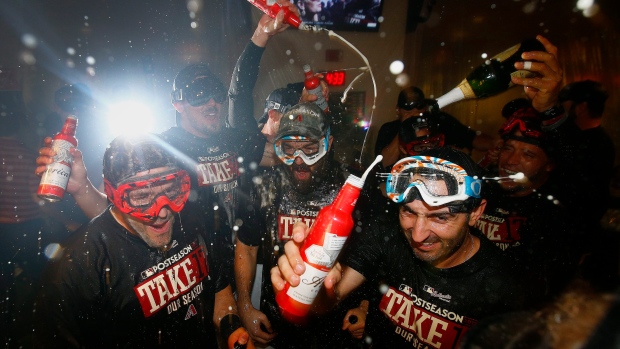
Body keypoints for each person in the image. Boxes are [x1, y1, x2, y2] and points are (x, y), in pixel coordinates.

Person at [272, 147, 528, 348]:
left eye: (440, 217)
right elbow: (326, 302)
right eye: (408, 212)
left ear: (475, 214)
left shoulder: (508, 289)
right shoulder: (387, 234)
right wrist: (309, 286)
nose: (418, 234)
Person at [33, 134, 254, 348]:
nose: (162, 211)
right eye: (141, 196)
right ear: (113, 194)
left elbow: (219, 290)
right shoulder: (76, 268)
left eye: (170, 190)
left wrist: (232, 330)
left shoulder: (191, 219)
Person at [235, 102, 366, 347]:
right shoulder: (263, 185)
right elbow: (247, 247)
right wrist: (244, 306)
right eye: (289, 149)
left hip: (333, 323)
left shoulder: (352, 189)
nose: (299, 160)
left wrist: (366, 306)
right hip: (277, 320)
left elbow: (371, 257)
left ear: (328, 143)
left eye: (309, 149)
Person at [476, 106, 580, 303]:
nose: (511, 161)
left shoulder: (554, 213)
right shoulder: (484, 189)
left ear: (549, 164)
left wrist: (551, 108)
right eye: (508, 148)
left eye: (528, 155)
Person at [374, 86, 494, 170]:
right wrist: (405, 126)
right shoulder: (389, 128)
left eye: (418, 109)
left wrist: (499, 144)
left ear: (425, 108)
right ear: (398, 110)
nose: (414, 113)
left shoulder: (439, 121)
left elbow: (472, 138)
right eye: (408, 110)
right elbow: (384, 163)